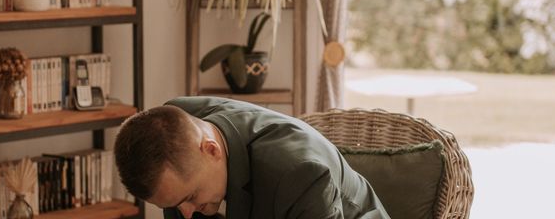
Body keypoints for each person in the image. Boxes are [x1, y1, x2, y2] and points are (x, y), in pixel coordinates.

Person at [114, 96, 389, 219]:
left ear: (211, 150)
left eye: (189, 197)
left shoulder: (301, 175)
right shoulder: (173, 126)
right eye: (173, 204)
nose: (185, 214)